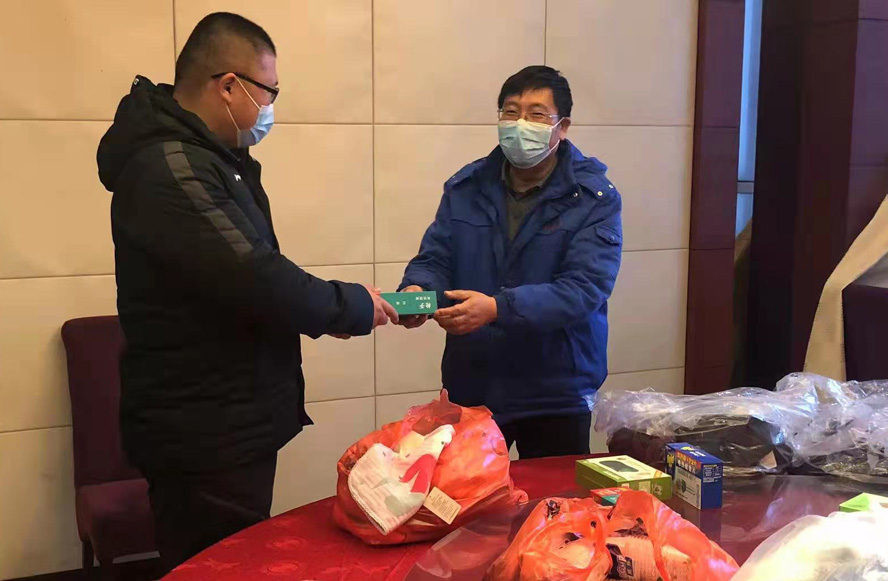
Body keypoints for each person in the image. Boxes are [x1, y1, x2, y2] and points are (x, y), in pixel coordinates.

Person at [96, 12, 397, 572]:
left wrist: (332, 307)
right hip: (203, 430)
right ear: (230, 85)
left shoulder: (212, 158)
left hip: (228, 418)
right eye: (269, 91)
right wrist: (349, 305)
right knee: (217, 566)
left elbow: (247, 280)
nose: (270, 106)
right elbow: (256, 276)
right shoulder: (172, 167)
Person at [399, 66, 623, 459]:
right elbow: (436, 257)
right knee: (467, 493)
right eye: (511, 112)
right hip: (475, 382)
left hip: (555, 389)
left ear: (562, 127)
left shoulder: (592, 197)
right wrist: (418, 290)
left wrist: (497, 308)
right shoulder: (467, 187)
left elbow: (585, 288)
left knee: (551, 494)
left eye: (536, 115)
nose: (520, 125)